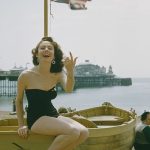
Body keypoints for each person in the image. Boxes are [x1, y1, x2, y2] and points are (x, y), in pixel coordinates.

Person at [16, 37, 89, 150]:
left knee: (84, 132)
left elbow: (69, 89)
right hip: (36, 118)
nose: (46, 49)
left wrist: (70, 71)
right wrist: (21, 125)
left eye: (50, 48)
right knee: (73, 132)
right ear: (36, 54)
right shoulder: (26, 75)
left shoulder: (58, 73)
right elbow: (19, 101)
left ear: (54, 55)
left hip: (53, 114)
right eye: (42, 48)